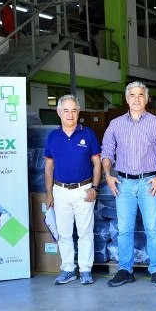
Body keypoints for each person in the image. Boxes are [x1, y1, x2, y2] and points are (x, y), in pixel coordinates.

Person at [102, 81, 156, 288]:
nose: (136, 99)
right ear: (126, 98)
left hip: (149, 182)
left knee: (153, 229)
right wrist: (108, 175)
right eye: (132, 95)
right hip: (123, 183)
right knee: (124, 230)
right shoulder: (115, 124)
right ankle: (125, 270)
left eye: (141, 95)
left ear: (147, 99)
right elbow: (107, 151)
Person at [44, 94, 102, 285]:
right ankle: (68, 269)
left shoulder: (88, 134)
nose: (70, 115)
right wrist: (49, 193)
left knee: (85, 233)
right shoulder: (53, 137)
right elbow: (49, 167)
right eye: (66, 111)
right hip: (60, 191)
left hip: (83, 190)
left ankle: (85, 270)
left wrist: (94, 187)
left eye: (74, 111)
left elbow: (97, 163)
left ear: (79, 112)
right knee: (64, 233)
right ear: (59, 112)